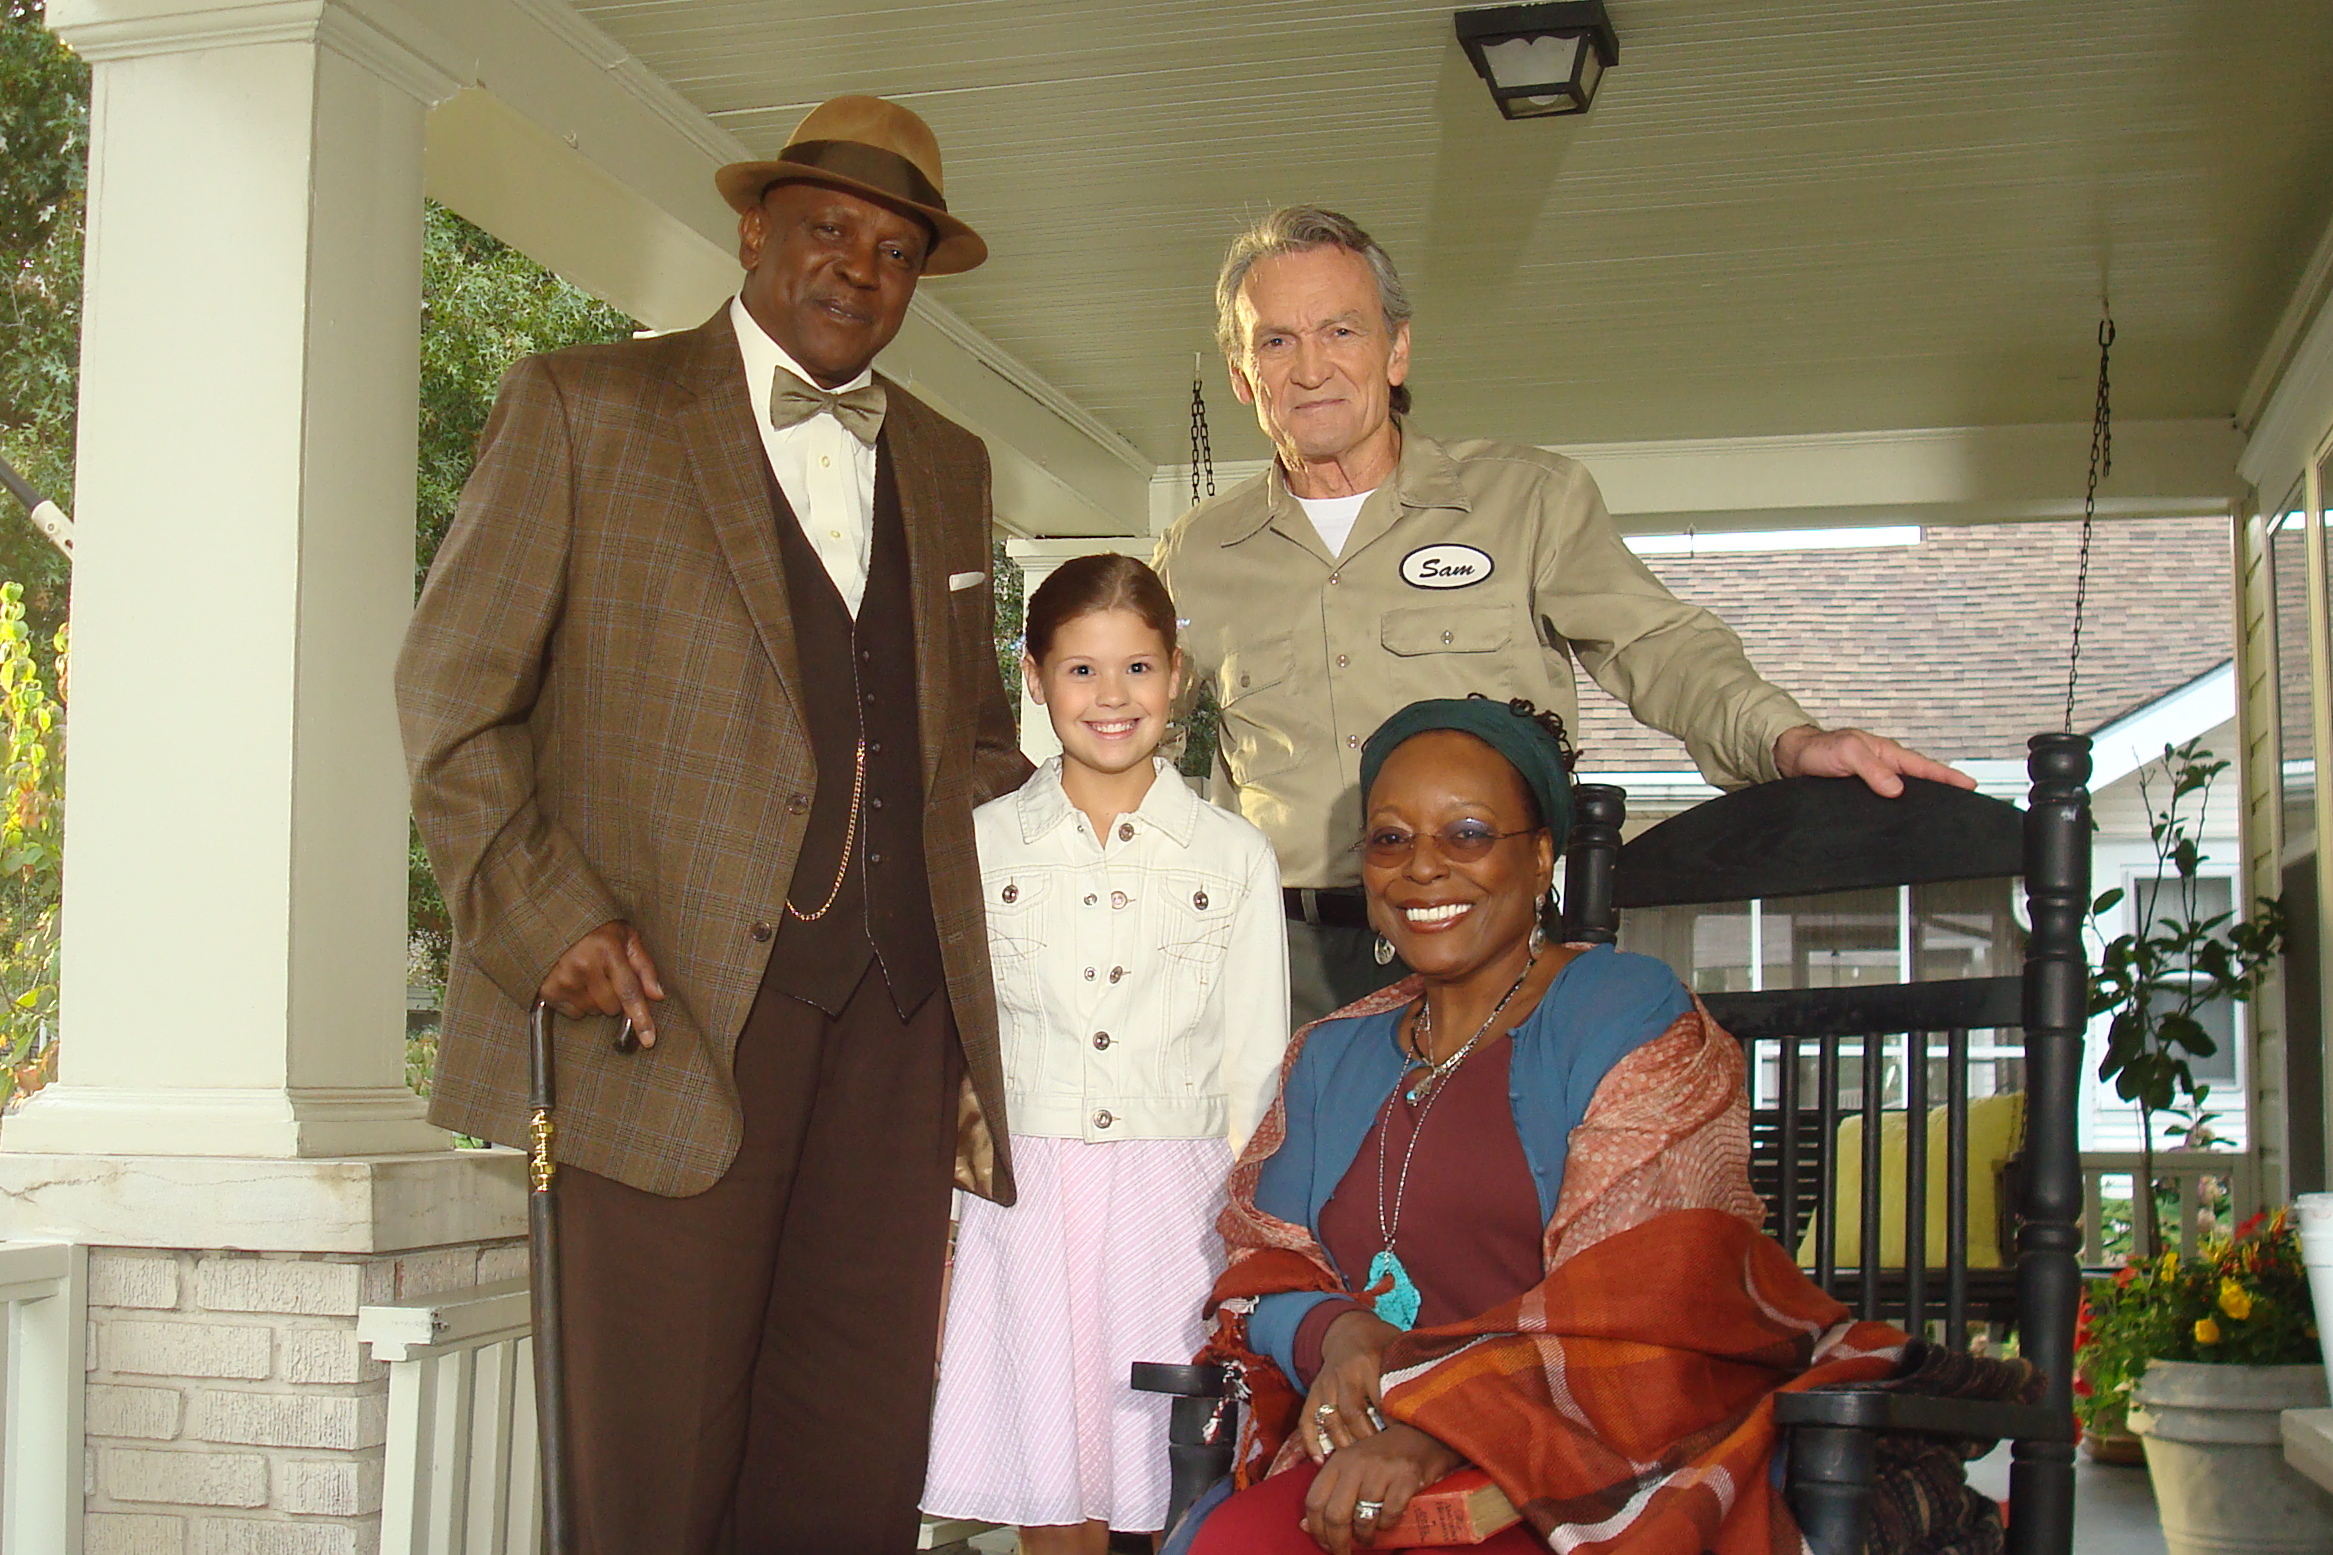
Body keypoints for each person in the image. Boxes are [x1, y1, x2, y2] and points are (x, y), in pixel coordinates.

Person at [396, 95, 1030, 1554]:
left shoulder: (949, 462)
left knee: (854, 1446)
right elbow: (452, 698)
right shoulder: (585, 405)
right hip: (662, 1018)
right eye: (826, 230)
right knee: (649, 1469)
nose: (856, 270)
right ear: (754, 228)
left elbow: (974, 741)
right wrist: (542, 914)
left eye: (892, 249)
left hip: (895, 1029)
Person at [1171, 698, 2020, 1555]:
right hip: (1363, 1453)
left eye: (1465, 834)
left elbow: (1654, 1297)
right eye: (1390, 839)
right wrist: (1341, 1333)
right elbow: (1262, 1274)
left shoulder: (1621, 1011)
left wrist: (1441, 1427)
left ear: (1540, 857)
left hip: (1590, 1463)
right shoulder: (1328, 1053)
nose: (1422, 867)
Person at [1152, 206, 1973, 1026]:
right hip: (1277, 971)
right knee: (1289, 1162)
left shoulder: (1527, 501)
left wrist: (1787, 739)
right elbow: (1117, 728)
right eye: (1275, 341)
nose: (1309, 368)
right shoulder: (1194, 556)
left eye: (1340, 330)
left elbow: (1658, 644)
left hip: (1486, 946)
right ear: (1240, 373)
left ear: (1396, 349)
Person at [922, 554, 1290, 1553]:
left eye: (1136, 668)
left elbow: (1254, 1072)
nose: (1111, 696)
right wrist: (948, 1224)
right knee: (1050, 1483)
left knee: (1167, 1474)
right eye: (1080, 671)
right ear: (1034, 680)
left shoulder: (1233, 856)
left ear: (1175, 675)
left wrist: (1251, 1246)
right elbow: (954, 1055)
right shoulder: (978, 846)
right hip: (1023, 1199)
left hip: (1175, 1201)